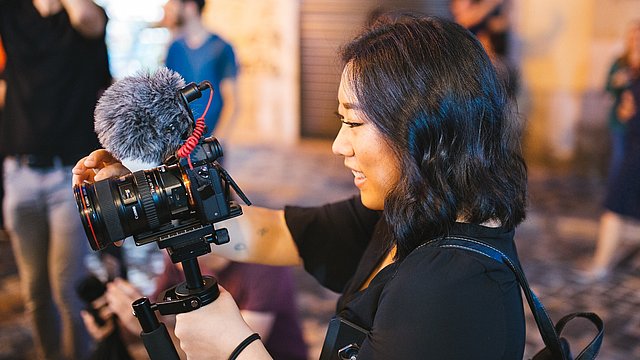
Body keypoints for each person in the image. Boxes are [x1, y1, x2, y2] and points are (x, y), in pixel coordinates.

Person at [73, 12, 528, 359]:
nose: (337, 145)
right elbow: (273, 234)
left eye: (353, 122)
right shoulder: (411, 211)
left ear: (424, 130)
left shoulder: (454, 289)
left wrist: (237, 349)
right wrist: (147, 192)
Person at [0, 0, 111, 358]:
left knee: (67, 289)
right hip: (20, 172)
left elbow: (85, 20)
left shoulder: (86, 16)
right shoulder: (12, 13)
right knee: (35, 291)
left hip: (69, 176)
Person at [81, 253, 308, 360]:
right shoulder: (180, 255)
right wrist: (115, 326)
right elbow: (153, 309)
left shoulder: (264, 265)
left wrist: (148, 327)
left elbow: (225, 356)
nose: (164, 249)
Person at [583, 20, 640, 281]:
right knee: (616, 201)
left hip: (634, 142)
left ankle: (602, 264)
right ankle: (602, 263)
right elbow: (613, 95)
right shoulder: (623, 63)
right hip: (627, 136)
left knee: (616, 204)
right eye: (633, 38)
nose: (634, 42)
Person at [162, 0, 238, 140]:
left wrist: (220, 139)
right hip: (181, 141)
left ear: (190, 7)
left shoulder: (221, 47)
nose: (171, 9)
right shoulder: (174, 48)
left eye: (176, 4)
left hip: (211, 138)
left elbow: (231, 99)